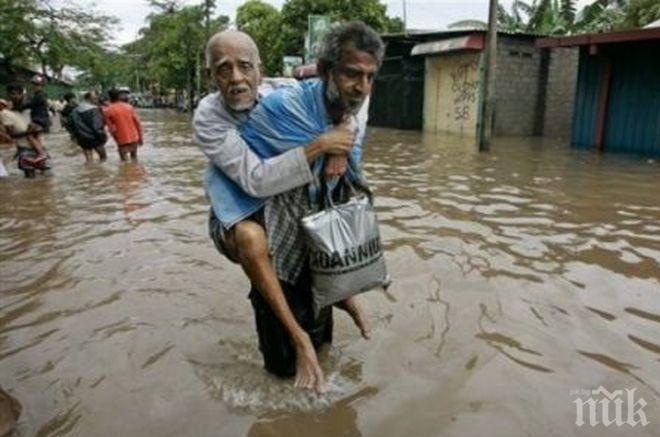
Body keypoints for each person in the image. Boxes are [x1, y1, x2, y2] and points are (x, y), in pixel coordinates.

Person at [195, 23, 382, 392]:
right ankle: (297, 338)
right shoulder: (209, 117)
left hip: (292, 207)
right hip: (239, 204)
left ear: (260, 69)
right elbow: (256, 181)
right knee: (252, 240)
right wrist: (321, 144)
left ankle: (340, 300)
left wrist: (339, 144)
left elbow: (353, 104)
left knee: (322, 237)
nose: (236, 78)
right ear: (211, 75)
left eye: (245, 66)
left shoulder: (284, 94)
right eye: (223, 68)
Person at [104, 88, 143, 162]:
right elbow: (137, 123)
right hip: (133, 136)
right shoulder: (129, 107)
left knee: (124, 161)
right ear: (119, 96)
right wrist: (140, 137)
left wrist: (116, 139)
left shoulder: (108, 110)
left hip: (121, 138)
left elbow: (111, 129)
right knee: (134, 158)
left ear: (109, 97)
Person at [69, 91, 108, 163]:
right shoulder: (94, 109)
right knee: (103, 158)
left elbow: (71, 126)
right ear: (90, 99)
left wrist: (76, 138)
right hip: (95, 138)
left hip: (82, 138)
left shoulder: (75, 111)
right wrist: (103, 137)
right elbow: (97, 126)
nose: (96, 100)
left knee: (89, 160)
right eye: (95, 99)